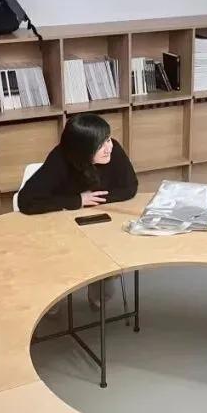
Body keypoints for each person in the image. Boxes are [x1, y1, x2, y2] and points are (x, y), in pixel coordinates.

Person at [17, 113, 137, 309]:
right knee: (59, 258)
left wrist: (96, 200)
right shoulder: (60, 159)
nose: (109, 147)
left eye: (108, 139)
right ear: (84, 149)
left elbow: (130, 186)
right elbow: (26, 201)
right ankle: (52, 298)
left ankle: (98, 291)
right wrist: (78, 200)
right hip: (61, 225)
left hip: (99, 223)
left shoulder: (113, 151)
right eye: (101, 144)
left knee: (110, 250)